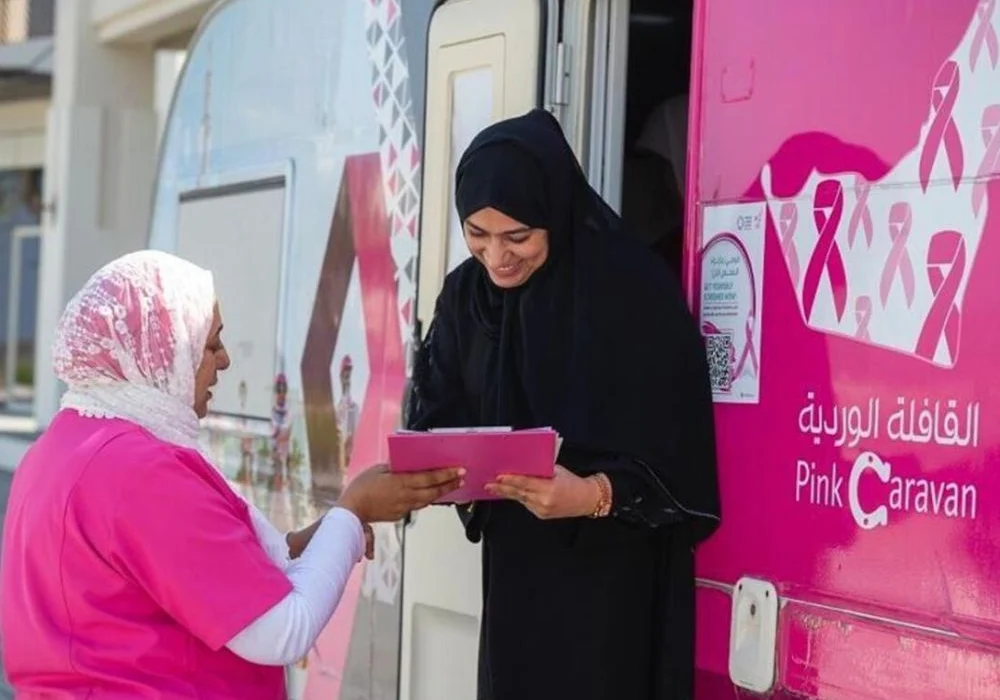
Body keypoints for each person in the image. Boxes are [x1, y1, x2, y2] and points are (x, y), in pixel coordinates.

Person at [0, 250, 463, 698]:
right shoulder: (137, 470)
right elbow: (282, 631)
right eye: (210, 344)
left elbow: (190, 569)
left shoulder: (62, 446)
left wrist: (319, 539)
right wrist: (352, 510)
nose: (224, 361)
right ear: (162, 352)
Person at [406, 109, 721, 700]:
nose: (496, 258)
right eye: (476, 233)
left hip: (613, 587)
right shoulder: (467, 297)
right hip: (517, 578)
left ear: (555, 211)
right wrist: (443, 463)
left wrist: (591, 494)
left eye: (517, 236)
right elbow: (436, 404)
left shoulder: (634, 294)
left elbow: (681, 460)